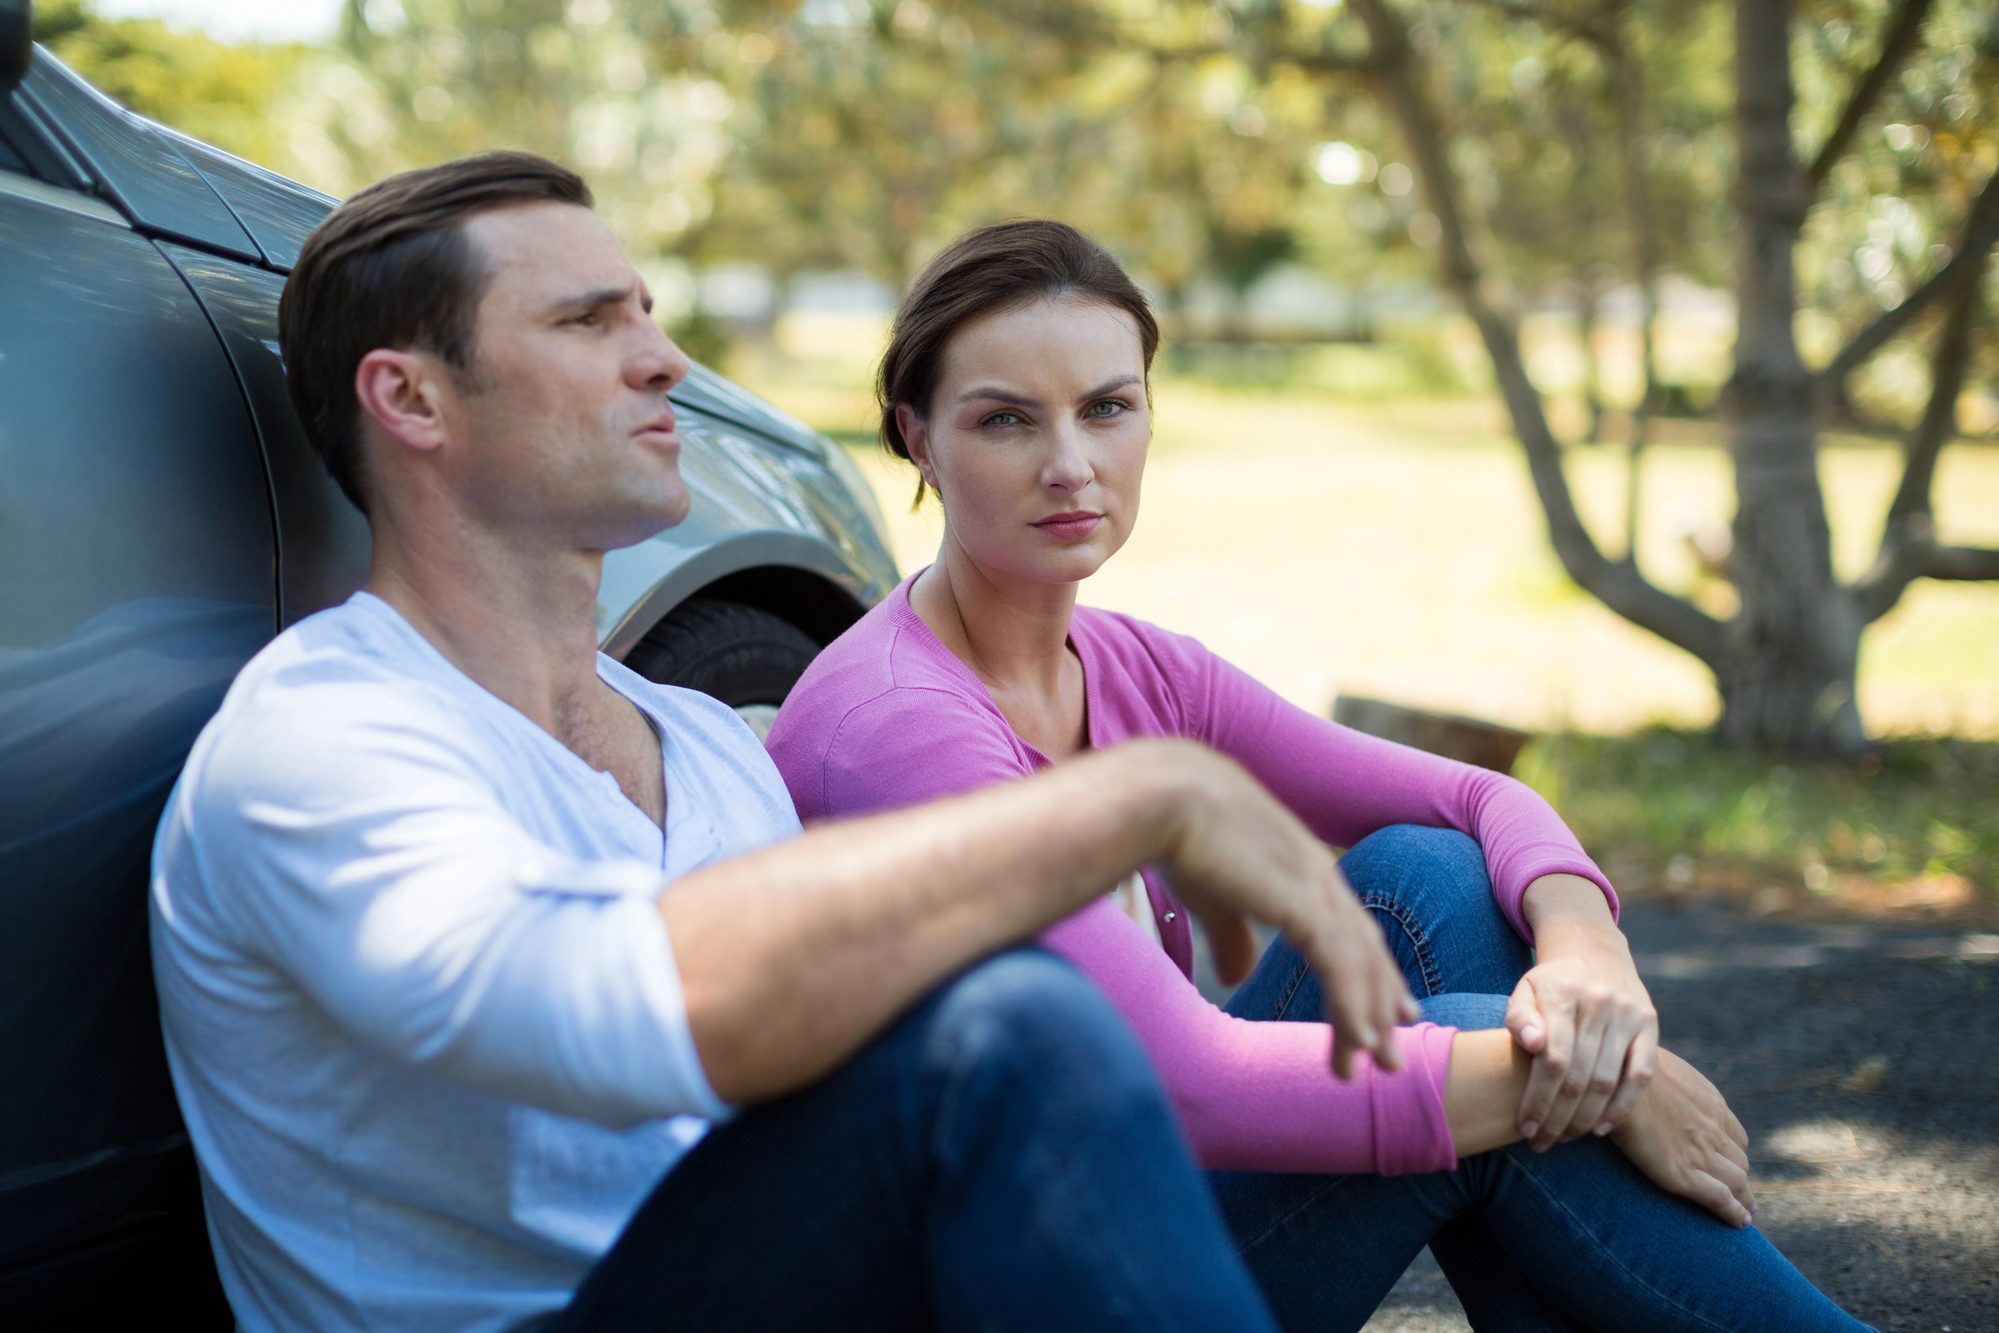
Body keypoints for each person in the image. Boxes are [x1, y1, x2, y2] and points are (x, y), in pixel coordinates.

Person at [147, 154, 1431, 1333]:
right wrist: (1123, 804)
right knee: (1008, 1032)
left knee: (1447, 951)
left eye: (645, 313)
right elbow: (594, 1003)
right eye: (589, 322)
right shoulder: (323, 740)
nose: (662, 361)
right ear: (411, 399)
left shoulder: (706, 743)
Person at [763, 218, 1873, 1332]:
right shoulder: (898, 727)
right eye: (1006, 419)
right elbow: (1188, 1082)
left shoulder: (1130, 666)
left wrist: (1593, 962)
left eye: (1107, 407)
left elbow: (1477, 798)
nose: (1071, 464)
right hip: (1006, 1283)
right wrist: (1605, 1086)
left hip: (1114, 1194)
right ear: (916, 437)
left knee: (1427, 877)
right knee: (1491, 1068)